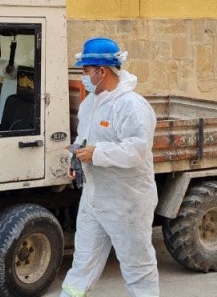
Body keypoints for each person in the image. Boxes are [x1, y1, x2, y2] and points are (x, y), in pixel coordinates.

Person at [61, 37, 159, 297]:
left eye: (85, 71)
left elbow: (137, 149)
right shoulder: (89, 104)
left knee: (137, 267)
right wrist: (76, 158)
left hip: (126, 202)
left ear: (101, 71)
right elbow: (83, 140)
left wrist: (97, 153)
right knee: (82, 264)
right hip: (94, 199)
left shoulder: (132, 106)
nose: (83, 77)